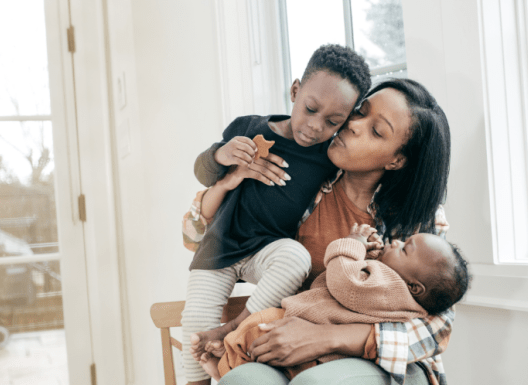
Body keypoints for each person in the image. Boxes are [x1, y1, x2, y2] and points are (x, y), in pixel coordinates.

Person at [186, 78, 454, 385]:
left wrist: (328, 337)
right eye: (359, 112)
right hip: (293, 349)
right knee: (243, 380)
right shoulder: (305, 177)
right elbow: (195, 238)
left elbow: (440, 326)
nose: (353, 125)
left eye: (377, 131)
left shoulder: (418, 218)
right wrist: (225, 183)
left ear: (397, 159)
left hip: (383, 361)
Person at [181, 44, 372, 385]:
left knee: (295, 257)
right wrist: (223, 155)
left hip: (267, 251)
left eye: (333, 122)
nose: (315, 126)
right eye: (310, 109)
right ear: (295, 90)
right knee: (195, 322)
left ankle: (236, 327)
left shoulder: (329, 158)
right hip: (219, 247)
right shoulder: (249, 126)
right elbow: (202, 170)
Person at [198, 224, 470, 382]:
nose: (396, 241)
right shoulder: (398, 290)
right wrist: (374, 257)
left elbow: (345, 283)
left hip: (354, 350)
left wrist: (351, 245)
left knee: (257, 328)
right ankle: (227, 368)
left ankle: (225, 363)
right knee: (250, 371)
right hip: (318, 343)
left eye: (405, 247)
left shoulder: (392, 286)